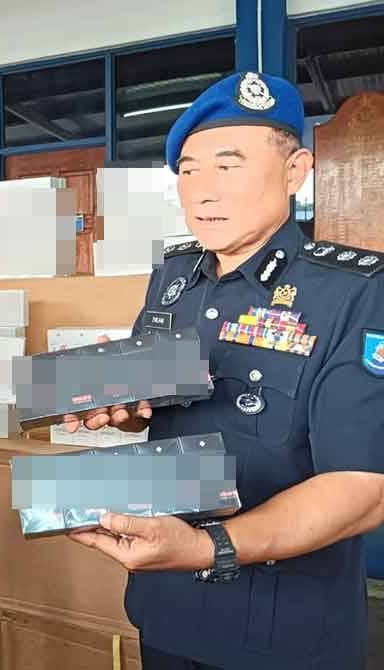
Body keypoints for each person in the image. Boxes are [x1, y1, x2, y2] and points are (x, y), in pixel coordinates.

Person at [65, 72, 384, 669]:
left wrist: (210, 545)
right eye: (188, 170)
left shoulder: (356, 292)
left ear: (295, 171)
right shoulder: (173, 278)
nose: (203, 192)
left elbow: (367, 489)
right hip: (166, 608)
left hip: (283, 628)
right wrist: (117, 401)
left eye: (228, 166)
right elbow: (159, 415)